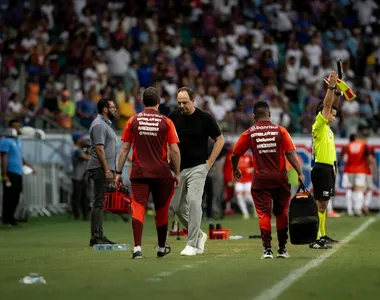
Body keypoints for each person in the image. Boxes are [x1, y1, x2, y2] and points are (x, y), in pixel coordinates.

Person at [232, 101, 304, 259]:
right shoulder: (281, 131)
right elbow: (290, 154)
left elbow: (235, 154)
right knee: (281, 213)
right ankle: (282, 249)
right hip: (280, 178)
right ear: (270, 115)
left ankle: (267, 250)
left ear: (254, 117)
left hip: (260, 179)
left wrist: (235, 168)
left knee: (264, 215)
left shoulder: (250, 133)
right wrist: (299, 172)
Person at [115, 87, 181, 259]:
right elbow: (175, 151)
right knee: (161, 210)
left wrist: (118, 172)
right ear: (159, 102)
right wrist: (178, 173)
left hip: (139, 173)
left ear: (143, 102)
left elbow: (124, 149)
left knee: (138, 208)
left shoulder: (133, 120)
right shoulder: (167, 122)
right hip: (162, 173)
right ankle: (161, 247)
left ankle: (137, 248)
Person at [169, 86, 225, 256]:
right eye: (179, 102)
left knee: (193, 201)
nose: (181, 106)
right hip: (179, 169)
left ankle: (192, 244)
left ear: (193, 101)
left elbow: (220, 139)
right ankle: (199, 234)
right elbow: (167, 140)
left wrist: (209, 163)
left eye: (185, 102)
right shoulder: (173, 117)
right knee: (177, 207)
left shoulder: (204, 117)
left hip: (199, 167)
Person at [310, 70, 341, 249]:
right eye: (331, 113)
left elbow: (332, 105)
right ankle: (315, 238)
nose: (334, 116)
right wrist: (331, 87)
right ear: (323, 113)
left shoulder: (328, 128)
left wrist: (338, 91)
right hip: (321, 168)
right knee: (319, 205)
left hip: (328, 168)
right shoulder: (319, 125)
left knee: (324, 204)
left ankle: (322, 235)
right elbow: (328, 106)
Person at [87, 98, 118, 246]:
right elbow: (99, 149)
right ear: (105, 109)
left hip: (103, 167)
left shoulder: (104, 124)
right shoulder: (99, 125)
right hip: (99, 167)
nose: (115, 110)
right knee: (98, 202)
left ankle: (99, 234)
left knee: (101, 202)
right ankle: (96, 236)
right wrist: (106, 169)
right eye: (112, 107)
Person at [0, 119, 36, 226]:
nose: (17, 128)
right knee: (9, 196)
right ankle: (6, 219)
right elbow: (4, 158)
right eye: (15, 126)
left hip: (18, 172)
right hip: (10, 172)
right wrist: (4, 174)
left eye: (18, 126)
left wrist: (29, 165)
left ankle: (11, 217)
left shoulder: (18, 141)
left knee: (16, 195)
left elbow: (20, 157)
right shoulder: (5, 141)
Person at [342, 128, 370, 216]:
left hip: (349, 170)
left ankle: (350, 210)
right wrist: (366, 166)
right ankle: (358, 210)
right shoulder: (363, 146)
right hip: (360, 170)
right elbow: (368, 159)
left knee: (350, 189)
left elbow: (345, 159)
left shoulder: (348, 146)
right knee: (359, 190)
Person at [71, 132, 90, 220]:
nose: (83, 140)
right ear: (77, 140)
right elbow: (87, 157)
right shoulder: (76, 150)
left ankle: (85, 214)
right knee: (77, 196)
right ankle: (77, 214)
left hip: (82, 176)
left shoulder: (80, 149)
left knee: (84, 196)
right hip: (78, 176)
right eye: (81, 138)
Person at [234, 151, 256, 220]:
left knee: (247, 196)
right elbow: (232, 168)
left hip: (248, 180)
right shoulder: (235, 157)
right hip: (238, 180)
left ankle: (256, 209)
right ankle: (245, 213)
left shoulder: (249, 156)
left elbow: (256, 166)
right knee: (239, 196)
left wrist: (251, 169)